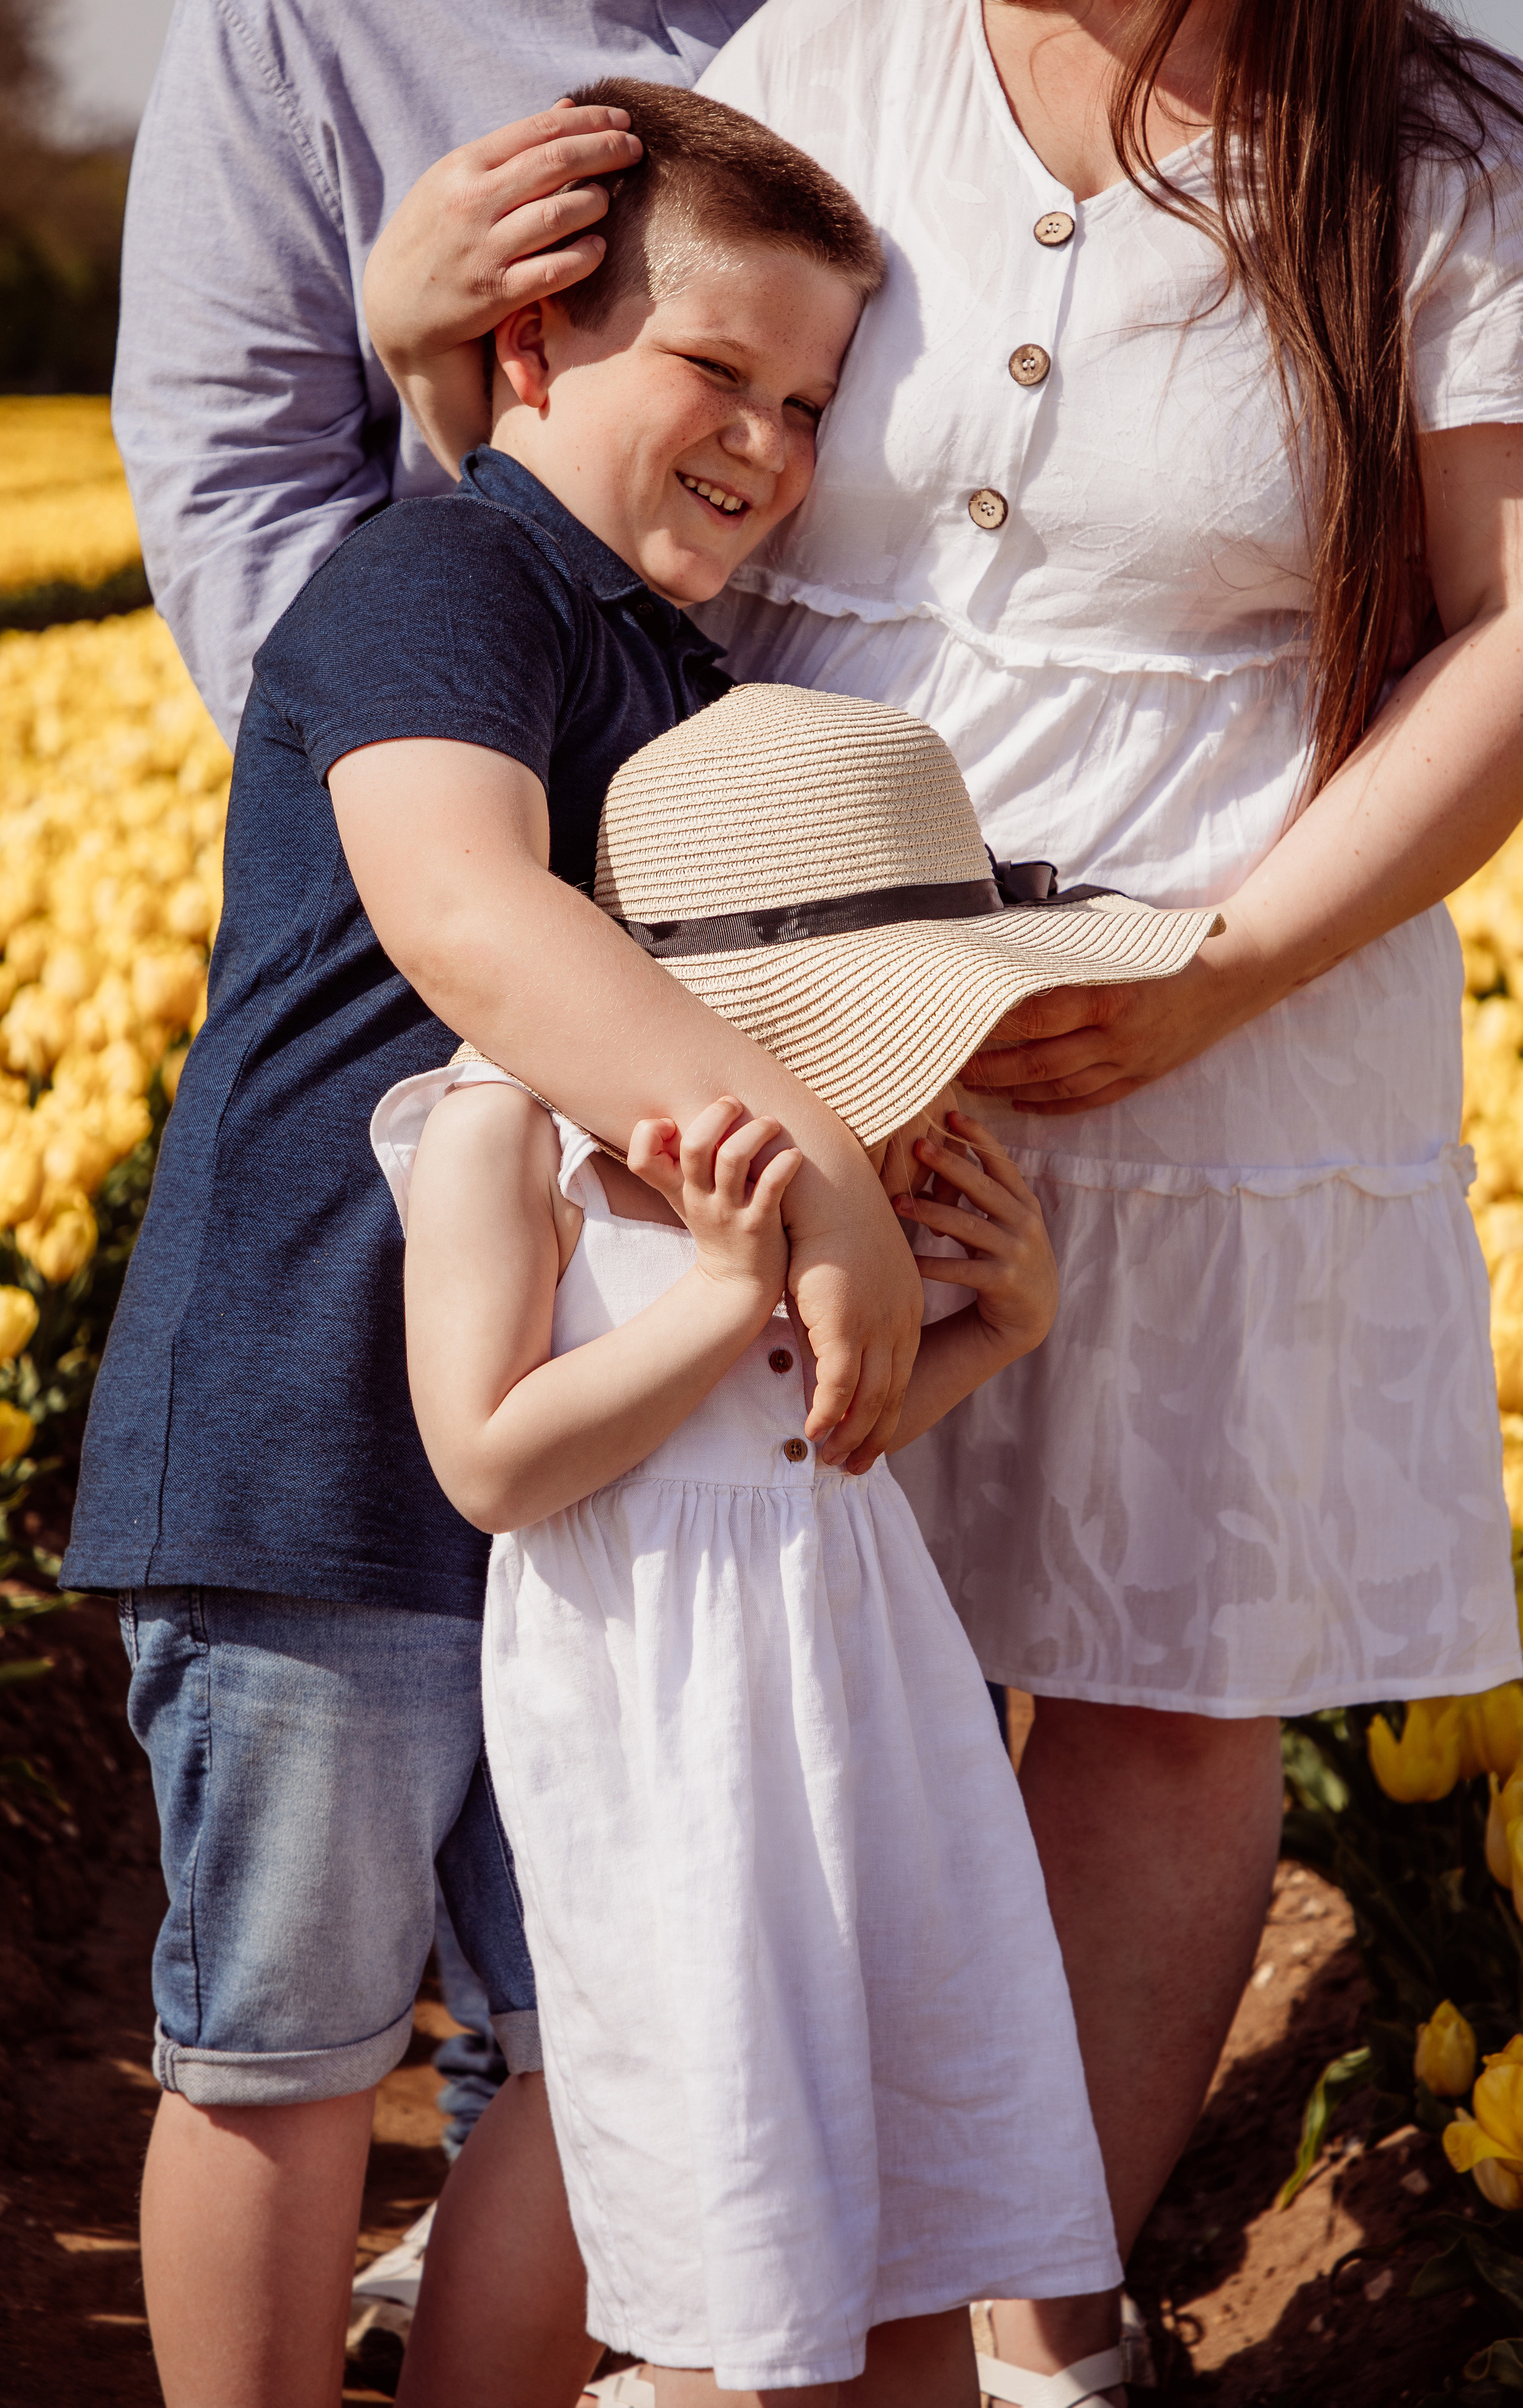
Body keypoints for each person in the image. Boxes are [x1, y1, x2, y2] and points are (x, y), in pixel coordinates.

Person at [359, 0, 1523, 2387]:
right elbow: (579, 425)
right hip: (769, 992)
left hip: (1218, 1009)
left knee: (1154, 1687)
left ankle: (1019, 2328)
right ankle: (718, 2270)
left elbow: (1516, 624)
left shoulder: (1428, 147)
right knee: (762, 1651)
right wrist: (414, 340)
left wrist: (1233, 965)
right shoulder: (830, 52)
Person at [71, 75, 924, 2408]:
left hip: (566, 1468)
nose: (766, 439)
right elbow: (466, 909)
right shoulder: (443, 576)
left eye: (811, 398)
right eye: (716, 370)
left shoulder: (690, 679)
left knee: (591, 2041)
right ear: (537, 345)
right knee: (285, 2046)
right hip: (310, 1441)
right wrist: (812, 1170)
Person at [378, 683, 1218, 2406]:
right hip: (659, 1742)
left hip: (862, 1712)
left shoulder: (818, 1163)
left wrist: (1005, 1327)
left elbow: (820, 1444)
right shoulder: (505, 1136)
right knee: (710, 2158)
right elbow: (489, 1464)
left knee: (894, 2150)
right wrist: (717, 1296)